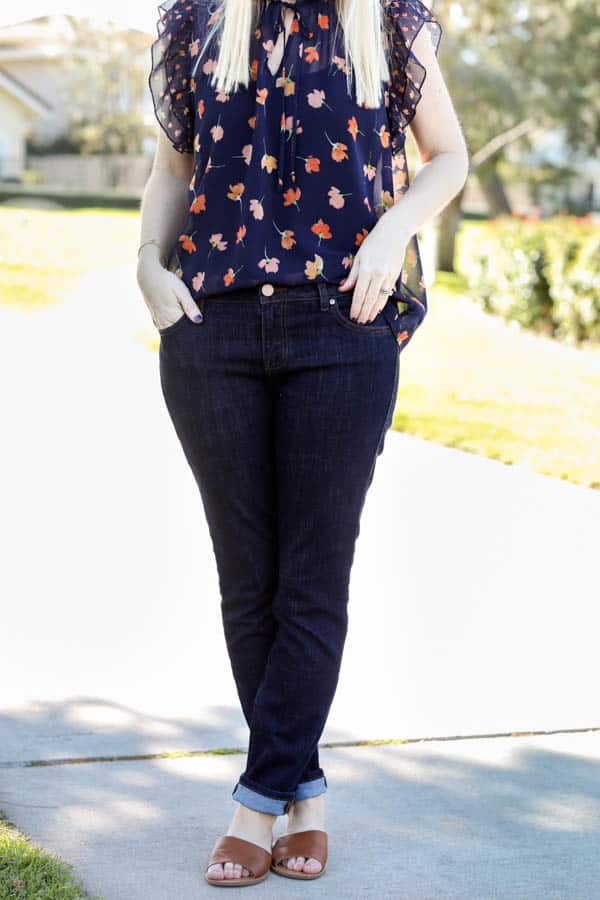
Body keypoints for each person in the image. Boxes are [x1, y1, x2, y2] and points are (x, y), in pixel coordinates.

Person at [138, 0, 468, 886]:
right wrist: (146, 264)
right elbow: (173, 170)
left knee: (313, 580)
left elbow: (450, 157)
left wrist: (397, 229)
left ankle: (254, 805)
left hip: (342, 330)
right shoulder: (196, 22)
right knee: (250, 584)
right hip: (214, 330)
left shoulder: (388, 23)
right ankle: (305, 793)